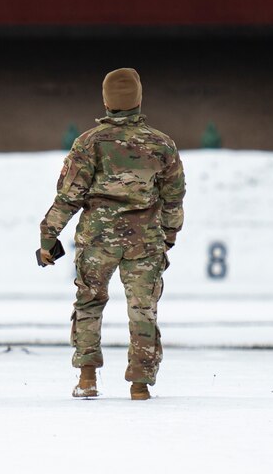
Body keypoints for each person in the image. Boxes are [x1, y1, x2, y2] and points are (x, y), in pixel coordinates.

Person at [37, 67, 186, 400]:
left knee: (89, 303)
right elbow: (174, 197)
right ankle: (140, 384)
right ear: (138, 99)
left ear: (107, 101)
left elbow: (68, 196)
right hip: (145, 241)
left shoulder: (89, 143)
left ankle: (87, 377)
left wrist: (48, 237)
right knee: (143, 310)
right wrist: (169, 237)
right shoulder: (162, 144)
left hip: (97, 240)